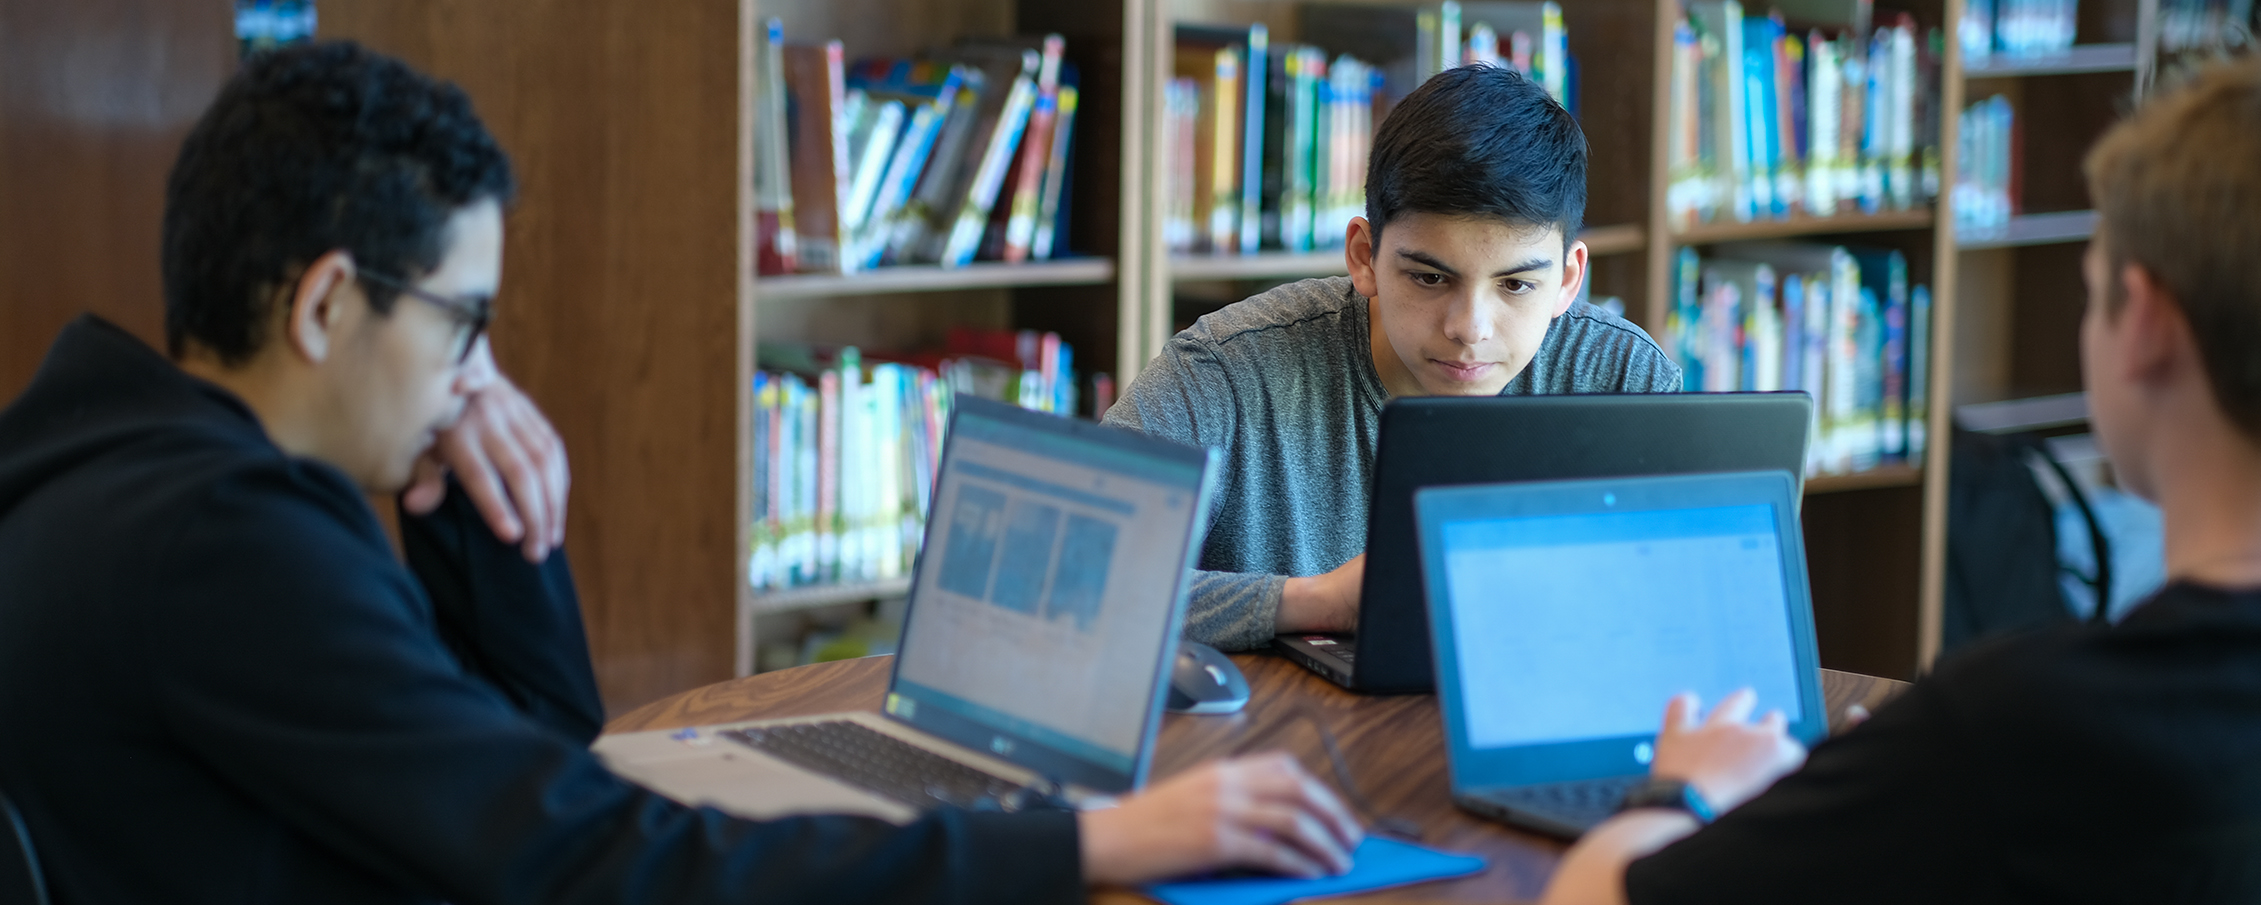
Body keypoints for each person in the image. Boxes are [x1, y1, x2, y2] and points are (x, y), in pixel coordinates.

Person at [0, 42, 1360, 903]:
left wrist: (496, 526)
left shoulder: (91, 462)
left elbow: (537, 769)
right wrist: (1086, 846)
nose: (479, 375)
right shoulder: (230, 546)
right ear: (325, 306)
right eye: (466, 322)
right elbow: (595, 853)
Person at [1536, 50, 2261, 905]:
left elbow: (1591, 896)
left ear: (2147, 323)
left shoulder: (2018, 731)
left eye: (2091, 292)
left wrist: (1684, 789)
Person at [1104, 65, 1681, 651]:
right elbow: (1070, 573)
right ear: (1364, 255)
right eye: (1430, 277)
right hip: (1301, 735)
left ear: (1568, 278)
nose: (1468, 329)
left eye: (1515, 286)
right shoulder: (1228, 369)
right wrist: (1314, 603)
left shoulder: (1624, 379)